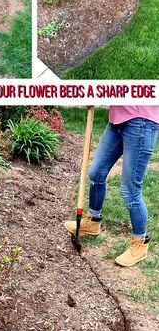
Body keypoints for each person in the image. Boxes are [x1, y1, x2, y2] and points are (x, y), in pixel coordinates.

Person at [65, 106, 159, 267]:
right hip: (117, 119)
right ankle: (93, 221)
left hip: (141, 122)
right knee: (96, 173)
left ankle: (140, 242)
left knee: (130, 190)